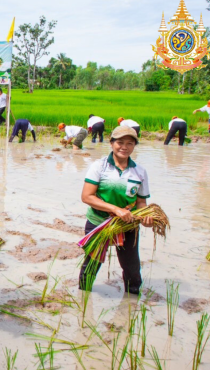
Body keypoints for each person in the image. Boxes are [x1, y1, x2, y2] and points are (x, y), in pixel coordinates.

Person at [79, 126, 153, 294]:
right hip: (99, 222)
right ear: (111, 143)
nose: (124, 147)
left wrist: (146, 217)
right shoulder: (99, 166)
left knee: (132, 268)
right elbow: (87, 197)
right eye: (119, 142)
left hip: (127, 224)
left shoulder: (139, 171)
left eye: (129, 143)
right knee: (91, 264)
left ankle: (131, 304)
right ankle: (83, 299)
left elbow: (141, 202)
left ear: (134, 146)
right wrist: (115, 209)